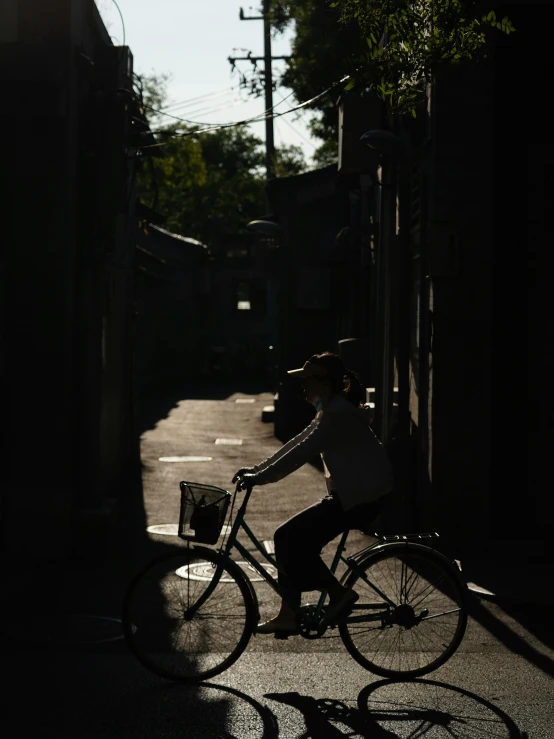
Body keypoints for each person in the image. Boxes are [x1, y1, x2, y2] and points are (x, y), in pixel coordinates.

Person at [232, 351, 394, 635]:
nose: (303, 387)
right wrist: (258, 469)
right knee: (292, 539)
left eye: (308, 381)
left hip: (361, 498)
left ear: (324, 383)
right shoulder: (330, 411)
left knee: (287, 537)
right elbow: (297, 442)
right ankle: (290, 612)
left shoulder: (339, 415)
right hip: (354, 495)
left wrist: (260, 478)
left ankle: (336, 594)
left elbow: (300, 454)